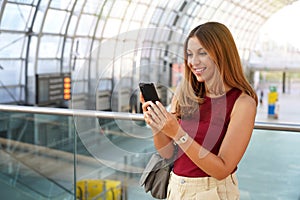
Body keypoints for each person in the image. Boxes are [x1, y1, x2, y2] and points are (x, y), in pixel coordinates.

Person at [140, 22, 257, 200]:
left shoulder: (242, 104)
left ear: (222, 54)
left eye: (202, 53)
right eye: (189, 54)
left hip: (213, 192)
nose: (193, 62)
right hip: (176, 189)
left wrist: (178, 133)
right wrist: (157, 124)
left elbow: (222, 169)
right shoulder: (184, 94)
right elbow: (168, 153)